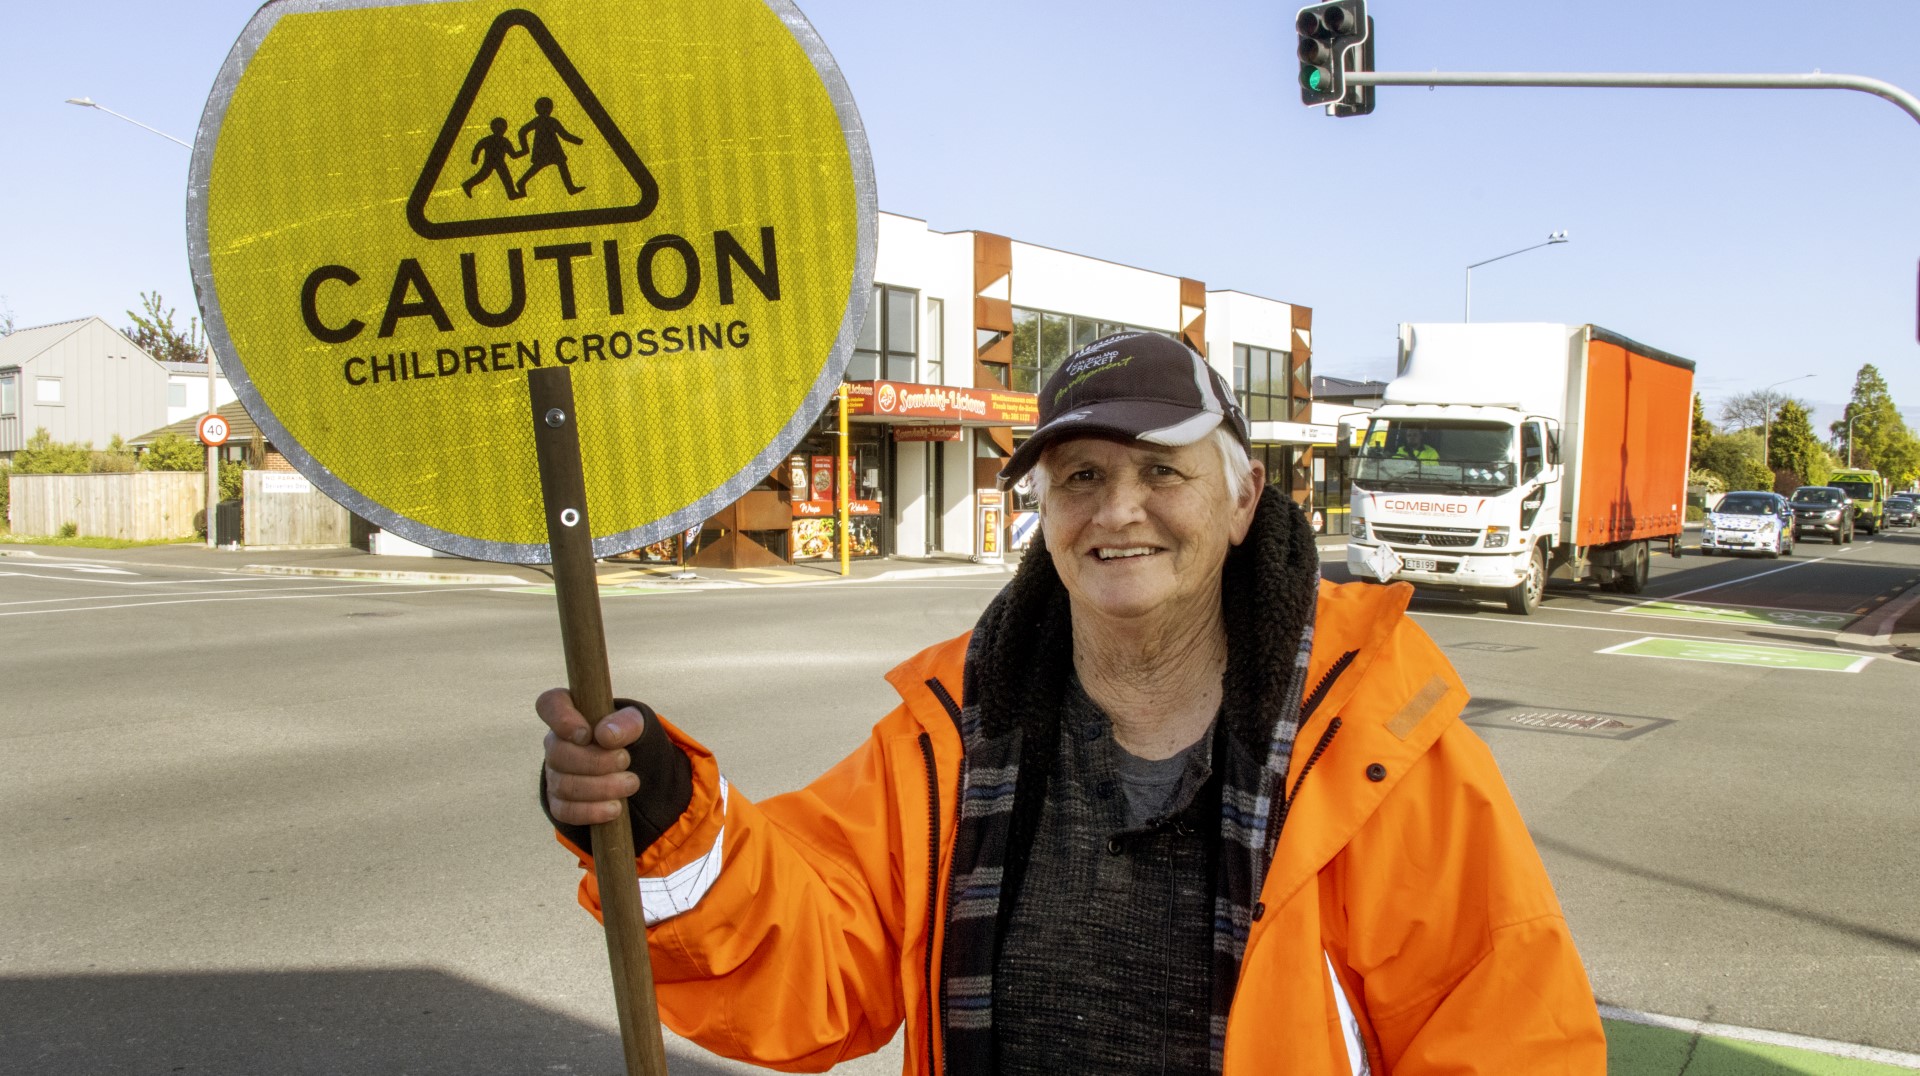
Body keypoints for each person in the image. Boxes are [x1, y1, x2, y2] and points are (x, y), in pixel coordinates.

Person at [538, 331, 1605, 1073]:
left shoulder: (1378, 747)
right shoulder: (955, 731)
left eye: (1161, 470)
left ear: (1240, 498)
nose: (1119, 508)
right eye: (1083, 474)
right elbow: (817, 965)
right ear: (1045, 508)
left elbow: (1505, 1035)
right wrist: (666, 818)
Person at [515, 96, 587, 197]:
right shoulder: (547, 121)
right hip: (548, 149)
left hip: (549, 149)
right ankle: (521, 182)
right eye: (544, 107)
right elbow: (564, 135)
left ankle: (570, 188)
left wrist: (524, 148)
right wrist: (578, 141)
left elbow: (563, 134)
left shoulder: (546, 121)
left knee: (559, 165)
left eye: (547, 107)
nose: (547, 110)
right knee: (543, 166)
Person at [461, 117, 524, 200]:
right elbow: (478, 147)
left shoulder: (504, 141)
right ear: (493, 128)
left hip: (499, 162)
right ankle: (468, 184)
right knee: (483, 175)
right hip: (490, 162)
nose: (500, 129)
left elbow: (513, 155)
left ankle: (511, 193)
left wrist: (524, 152)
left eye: (502, 127)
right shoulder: (492, 140)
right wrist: (475, 157)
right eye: (498, 127)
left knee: (505, 178)